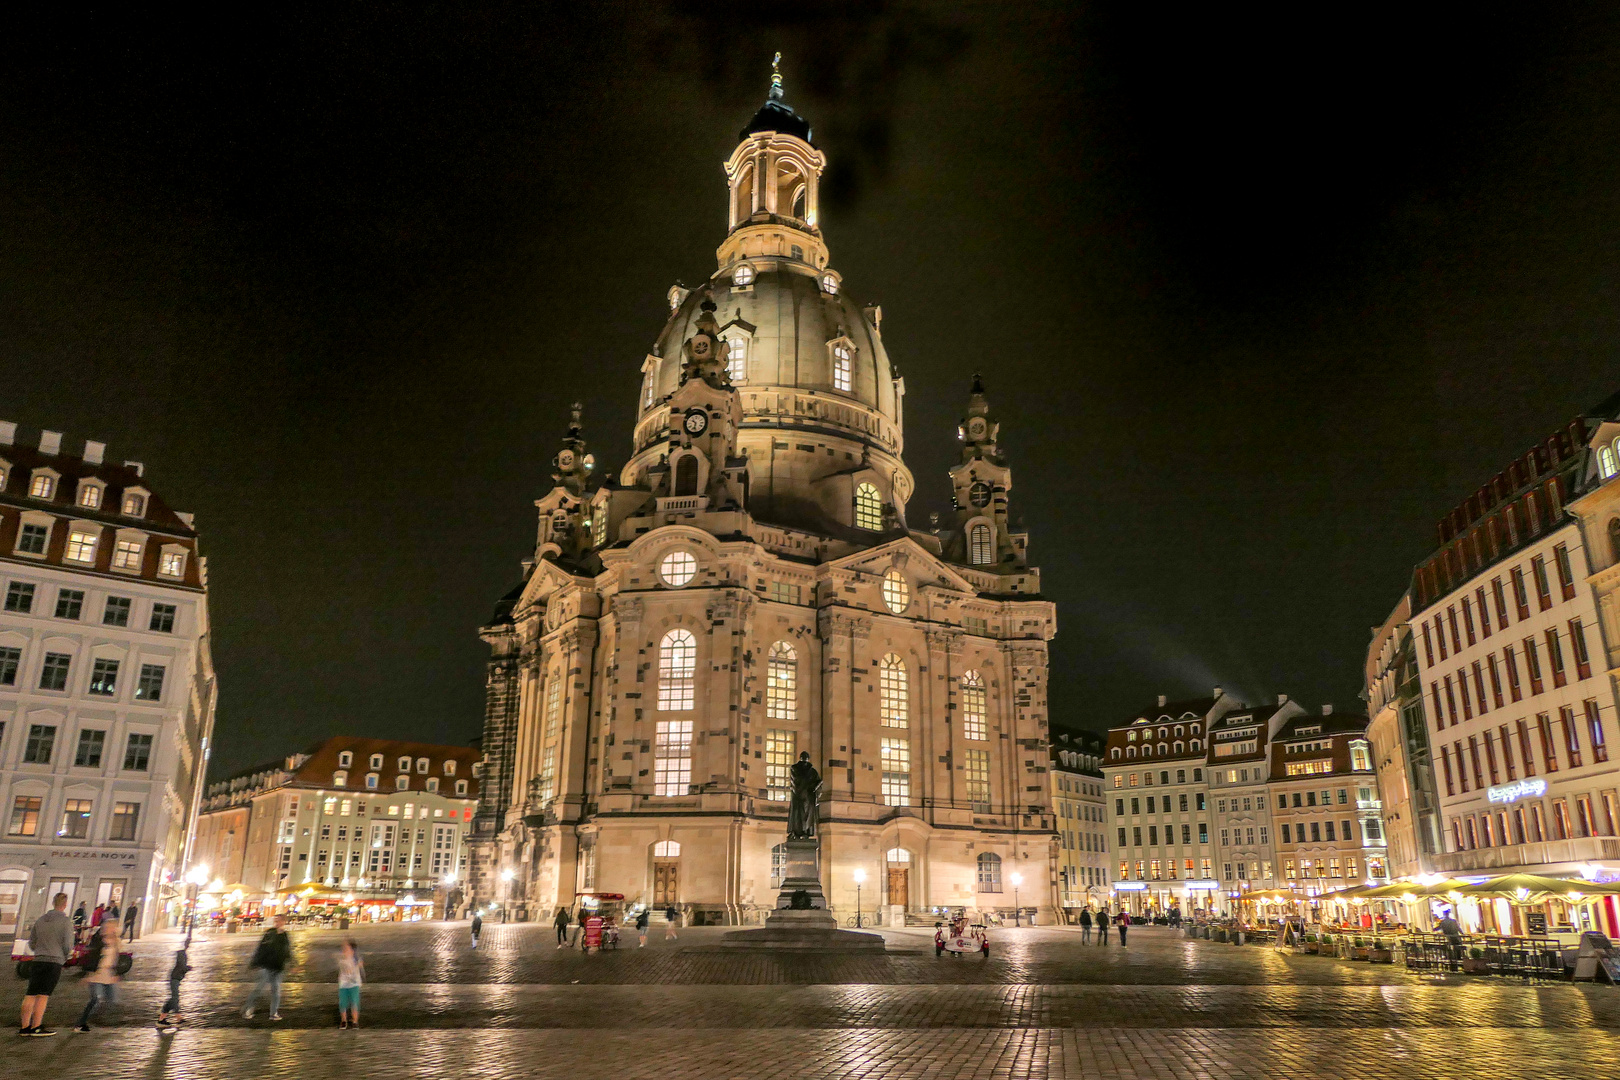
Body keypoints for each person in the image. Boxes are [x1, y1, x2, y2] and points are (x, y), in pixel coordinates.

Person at [20, 891, 74, 1037]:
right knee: (43, 995)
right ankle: (36, 1026)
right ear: (65, 904)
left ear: (53, 903)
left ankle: (25, 1027)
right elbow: (68, 945)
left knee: (30, 993)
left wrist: (39, 949)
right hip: (54, 961)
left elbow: (32, 943)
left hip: (38, 960)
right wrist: (66, 956)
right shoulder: (65, 922)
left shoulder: (40, 920)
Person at [241, 914, 292, 1021]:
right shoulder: (269, 933)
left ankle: (273, 1013)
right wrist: (254, 962)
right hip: (266, 966)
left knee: (276, 991)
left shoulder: (285, 935)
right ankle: (248, 1009)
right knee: (258, 989)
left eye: (278, 921)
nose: (276, 923)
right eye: (275, 921)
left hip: (278, 967)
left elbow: (287, 951)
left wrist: (291, 962)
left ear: (283, 922)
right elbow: (260, 949)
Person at [76, 922, 121, 1032]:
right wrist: (88, 974)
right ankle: (81, 1023)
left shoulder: (116, 941)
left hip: (108, 975)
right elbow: (92, 958)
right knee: (95, 999)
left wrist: (116, 973)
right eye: (111, 928)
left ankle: (102, 1021)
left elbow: (115, 958)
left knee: (112, 1000)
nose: (113, 930)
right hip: (96, 975)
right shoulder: (98, 941)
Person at [156, 946, 190, 1033]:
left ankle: (161, 1020)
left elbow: (183, 968)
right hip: (174, 981)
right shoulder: (180, 964)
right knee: (175, 999)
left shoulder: (179, 963)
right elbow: (183, 967)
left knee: (172, 1001)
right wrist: (188, 968)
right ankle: (179, 1019)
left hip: (175, 981)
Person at [337, 940, 364, 1029]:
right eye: (344, 949)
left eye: (347, 949)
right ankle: (343, 1021)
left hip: (354, 984)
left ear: (352, 951)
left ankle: (355, 1021)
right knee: (343, 1003)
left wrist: (357, 963)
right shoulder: (342, 960)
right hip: (343, 984)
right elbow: (345, 968)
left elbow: (360, 964)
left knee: (355, 1003)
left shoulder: (356, 959)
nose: (344, 951)